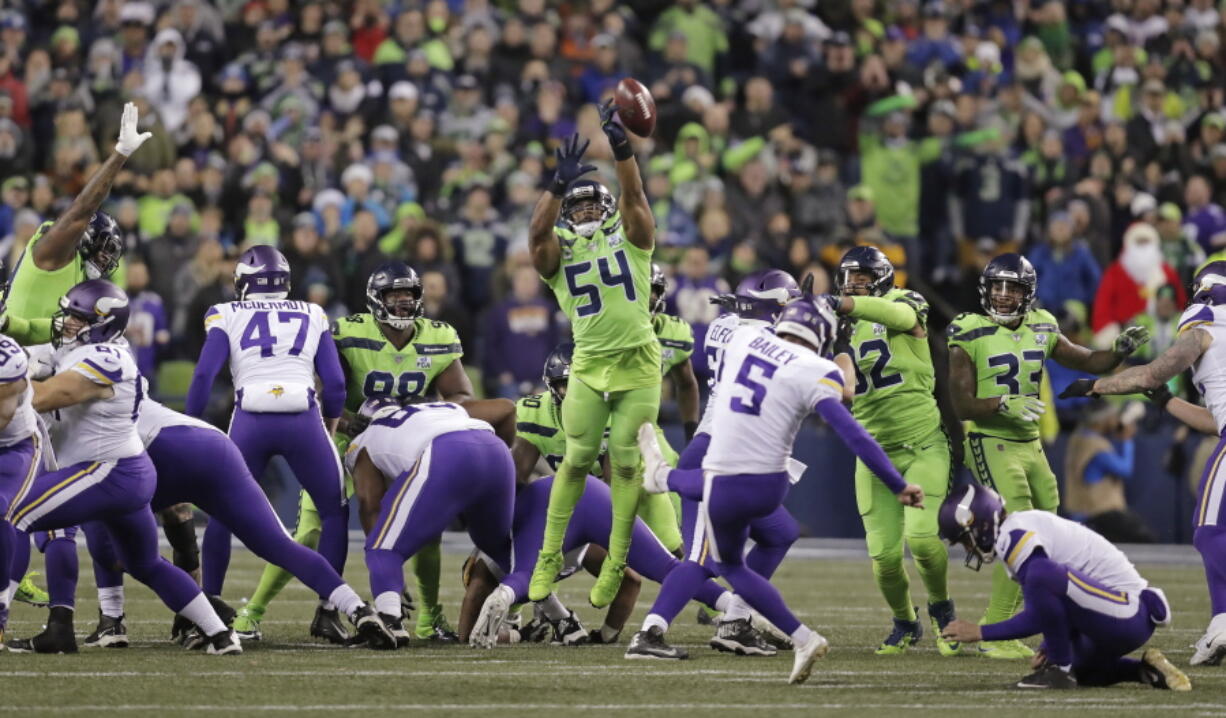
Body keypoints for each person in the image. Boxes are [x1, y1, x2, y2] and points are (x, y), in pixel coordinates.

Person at [639, 295, 925, 683]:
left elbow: (741, 327)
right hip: (770, 482)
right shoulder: (816, 368)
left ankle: (662, 478)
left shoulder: (740, 339)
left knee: (723, 550)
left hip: (730, 475)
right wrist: (897, 483)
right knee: (746, 553)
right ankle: (777, 632)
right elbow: (853, 433)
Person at [233, 261, 495, 644]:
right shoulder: (349, 332)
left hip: (403, 441)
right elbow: (321, 387)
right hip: (347, 438)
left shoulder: (437, 337)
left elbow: (461, 395)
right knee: (309, 531)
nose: (404, 304)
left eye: (410, 297)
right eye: (395, 297)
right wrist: (356, 419)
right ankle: (250, 613)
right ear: (377, 300)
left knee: (427, 530)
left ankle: (430, 619)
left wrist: (417, 414)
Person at [5, 279, 238, 655]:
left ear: (101, 324)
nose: (66, 323)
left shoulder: (106, 358)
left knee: (13, 514)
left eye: (77, 318)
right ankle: (221, 635)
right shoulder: (78, 349)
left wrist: (12, 380)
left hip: (108, 470)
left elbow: (45, 396)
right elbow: (35, 354)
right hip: (127, 473)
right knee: (145, 564)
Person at [946, 253, 1150, 659]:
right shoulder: (968, 332)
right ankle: (995, 628)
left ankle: (1044, 616)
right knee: (1019, 527)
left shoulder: (1042, 324)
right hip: (990, 439)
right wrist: (1002, 403)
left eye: (1013, 288)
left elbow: (1087, 360)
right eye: (998, 287)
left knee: (1053, 529)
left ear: (1029, 293)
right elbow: (962, 405)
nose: (1004, 296)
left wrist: (1118, 351)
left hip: (1031, 443)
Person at [79, 393, 394, 651]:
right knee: (279, 545)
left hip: (167, 453)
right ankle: (358, 609)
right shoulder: (103, 378)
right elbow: (178, 514)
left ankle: (117, 620)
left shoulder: (74, 401)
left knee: (107, 528)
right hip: (212, 446)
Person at [628, 269, 804, 661]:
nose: (794, 313)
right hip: (721, 452)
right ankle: (650, 632)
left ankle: (736, 623)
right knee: (702, 560)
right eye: (788, 305)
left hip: (730, 449)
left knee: (780, 531)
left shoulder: (725, 326)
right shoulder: (767, 340)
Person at [526, 102, 660, 608]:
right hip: (588, 363)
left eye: (591, 205)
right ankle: (546, 557)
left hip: (639, 362)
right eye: (574, 207)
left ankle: (617, 562)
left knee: (625, 467)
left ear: (606, 211)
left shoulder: (632, 238)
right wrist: (554, 186)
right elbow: (536, 235)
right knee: (577, 460)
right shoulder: (558, 253)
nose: (583, 212)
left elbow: (635, 194)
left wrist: (622, 147)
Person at [1060, 259, 1226, 666]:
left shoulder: (1206, 320)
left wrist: (1097, 386)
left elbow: (1153, 372)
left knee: (1208, 533)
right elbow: (1213, 420)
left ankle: (1223, 622)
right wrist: (1168, 402)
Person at [185, 245, 349, 644]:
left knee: (223, 513)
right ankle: (329, 609)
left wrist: (190, 424)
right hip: (303, 419)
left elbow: (205, 375)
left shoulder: (225, 312)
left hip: (250, 420)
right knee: (334, 512)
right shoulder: (313, 312)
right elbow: (337, 382)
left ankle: (209, 610)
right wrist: (330, 421)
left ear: (243, 281)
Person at [828, 246, 959, 656]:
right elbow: (843, 387)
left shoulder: (904, 301)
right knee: (883, 557)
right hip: (875, 455)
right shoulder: (838, 328)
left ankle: (943, 611)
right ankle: (905, 622)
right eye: (850, 278)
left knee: (921, 540)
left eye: (863, 277)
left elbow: (900, 319)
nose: (855, 284)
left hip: (924, 444)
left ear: (882, 279)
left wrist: (845, 304)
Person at [938, 483, 1190, 691]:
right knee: (1082, 671)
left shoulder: (1014, 536)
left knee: (1041, 575)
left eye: (965, 540)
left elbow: (1042, 601)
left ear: (980, 524)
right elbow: (1052, 607)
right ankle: (1145, 671)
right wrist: (1050, 644)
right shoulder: (1017, 531)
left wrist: (981, 632)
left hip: (1128, 611)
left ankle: (1059, 670)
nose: (968, 549)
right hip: (1114, 616)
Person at [465, 474, 736, 651]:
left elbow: (467, 631)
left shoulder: (499, 551)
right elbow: (631, 581)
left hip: (550, 508)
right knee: (668, 567)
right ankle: (736, 608)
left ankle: (509, 595)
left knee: (527, 576)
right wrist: (597, 632)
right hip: (592, 491)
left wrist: (517, 631)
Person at [348, 399, 514, 645]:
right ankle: (555, 614)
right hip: (496, 449)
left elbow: (369, 503)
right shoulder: (444, 408)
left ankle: (390, 621)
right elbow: (507, 408)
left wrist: (388, 575)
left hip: (445, 453)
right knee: (503, 552)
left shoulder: (365, 439)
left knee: (382, 549)